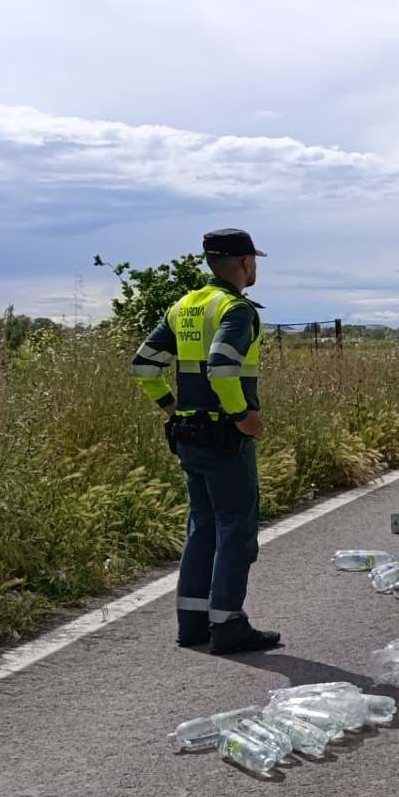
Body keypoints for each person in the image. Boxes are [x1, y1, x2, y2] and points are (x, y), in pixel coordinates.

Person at [130, 229, 281, 654]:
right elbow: (221, 367)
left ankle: (192, 624)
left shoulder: (183, 306)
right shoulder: (236, 310)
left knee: (202, 526)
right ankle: (228, 624)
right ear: (246, 263)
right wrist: (243, 416)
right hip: (224, 436)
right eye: (255, 261)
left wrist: (170, 407)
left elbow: (143, 365)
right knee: (236, 528)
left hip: (188, 434)